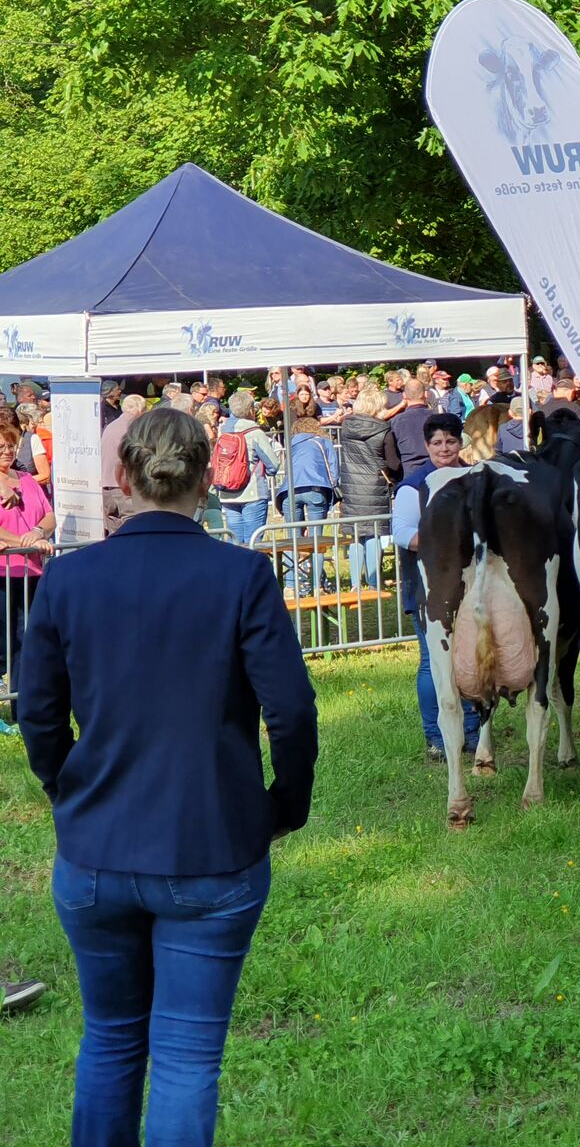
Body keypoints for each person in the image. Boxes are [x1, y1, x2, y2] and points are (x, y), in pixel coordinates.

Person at [19, 407, 318, 1146]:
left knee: (111, 1041)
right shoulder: (241, 573)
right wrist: (286, 804)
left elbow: (38, 713)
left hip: (97, 847)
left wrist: (67, 789)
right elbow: (292, 712)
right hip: (210, 845)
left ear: (124, 478)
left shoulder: (69, 578)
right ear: (208, 477)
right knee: (184, 1057)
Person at [391, 414, 483, 760]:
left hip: (473, 585)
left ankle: (471, 733)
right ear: (427, 446)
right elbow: (402, 532)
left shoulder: (476, 477)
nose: (445, 448)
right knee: (433, 662)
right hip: (427, 586)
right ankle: (437, 737)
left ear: (461, 443)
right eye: (437, 443)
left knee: (471, 656)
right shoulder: (413, 486)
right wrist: (444, 544)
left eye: (451, 441)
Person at [0, 422, 54, 710]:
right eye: (0, 448)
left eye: (9, 446)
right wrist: (24, 539)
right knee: (1, 640)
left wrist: (38, 532)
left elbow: (49, 516)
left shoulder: (28, 479)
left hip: (31, 571)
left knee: (26, 637)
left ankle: (19, 704)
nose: (6, 452)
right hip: (1, 573)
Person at [339, 386, 395, 592]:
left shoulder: (346, 426)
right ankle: (373, 582)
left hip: (351, 484)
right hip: (374, 485)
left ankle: (355, 583)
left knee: (356, 535)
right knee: (374, 534)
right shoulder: (384, 429)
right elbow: (392, 462)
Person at [275, 417, 340, 597]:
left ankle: (290, 586)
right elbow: (334, 470)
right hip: (316, 489)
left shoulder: (291, 444)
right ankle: (316, 584)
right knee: (315, 539)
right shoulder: (324, 442)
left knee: (292, 539)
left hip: (289, 491)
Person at [216, 391, 283, 545]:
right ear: (251, 410)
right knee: (253, 542)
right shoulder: (255, 433)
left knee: (235, 542)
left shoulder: (223, 432)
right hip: (253, 492)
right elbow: (273, 464)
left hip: (227, 493)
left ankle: (235, 569)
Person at [100, 394, 146, 534]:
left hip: (106, 486)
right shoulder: (133, 428)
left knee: (113, 530)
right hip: (124, 487)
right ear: (139, 410)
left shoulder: (110, 426)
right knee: (132, 526)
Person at [384, 379, 435, 478]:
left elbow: (392, 455)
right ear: (426, 394)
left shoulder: (395, 422)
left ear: (404, 396)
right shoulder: (438, 419)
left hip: (408, 472)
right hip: (435, 471)